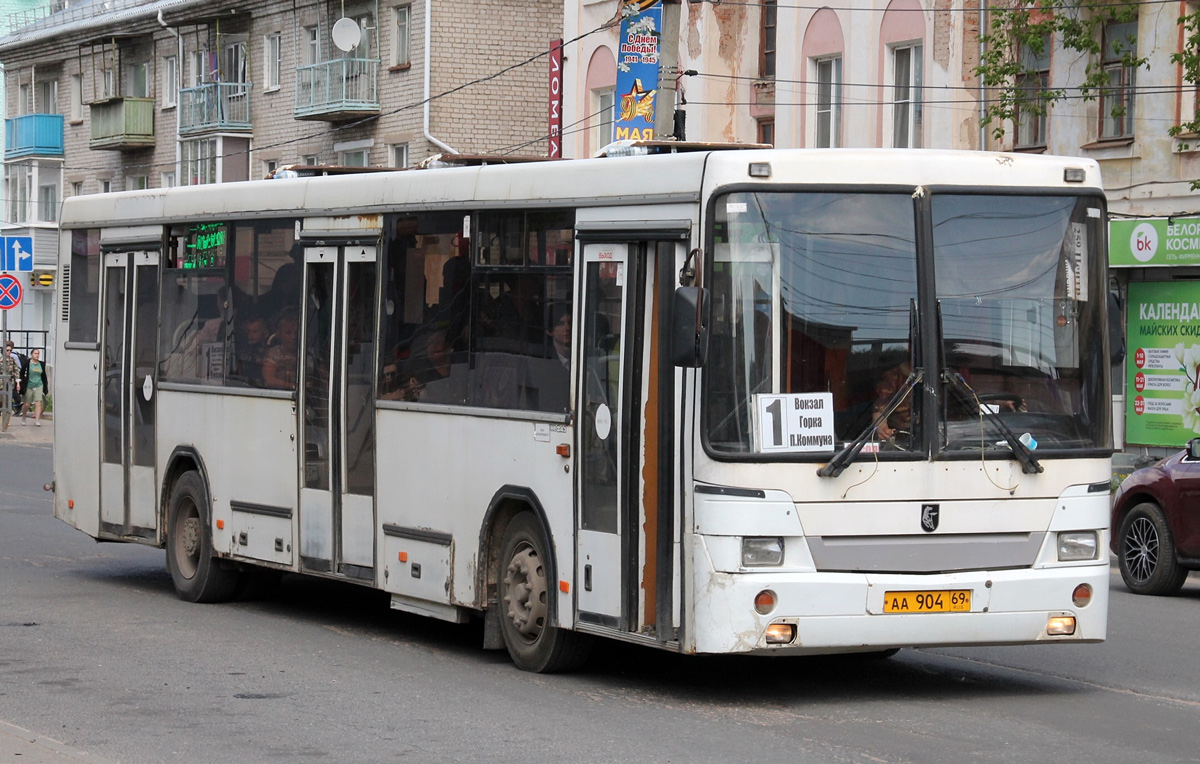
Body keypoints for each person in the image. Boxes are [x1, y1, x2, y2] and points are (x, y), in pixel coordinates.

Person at [872, 360, 913, 441]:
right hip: (901, 438)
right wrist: (882, 429)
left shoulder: (938, 374)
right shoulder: (893, 377)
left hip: (936, 440)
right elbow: (879, 409)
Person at [261, 312, 299, 390]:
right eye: (288, 332)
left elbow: (324, 377)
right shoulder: (273, 353)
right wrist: (295, 386)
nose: (293, 337)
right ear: (280, 334)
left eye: (296, 333)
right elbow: (269, 380)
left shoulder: (310, 354)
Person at [19, 348, 49, 426]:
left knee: (38, 403)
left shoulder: (41, 364)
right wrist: (21, 383)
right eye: (35, 353)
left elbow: (43, 376)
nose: (37, 355)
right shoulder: (27, 363)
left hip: (39, 385)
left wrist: (45, 386)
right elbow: (21, 373)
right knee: (27, 404)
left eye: (38, 353)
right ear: (32, 354)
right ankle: (24, 417)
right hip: (29, 385)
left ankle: (37, 420)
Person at [1, 347, 17, 431]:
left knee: (8, 405)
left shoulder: (12, 360)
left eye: (11, 350)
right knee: (1, 403)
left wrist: (18, 382)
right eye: (7, 350)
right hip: (1, 385)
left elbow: (16, 371)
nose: (9, 352)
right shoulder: (0, 360)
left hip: (9, 385)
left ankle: (5, 424)